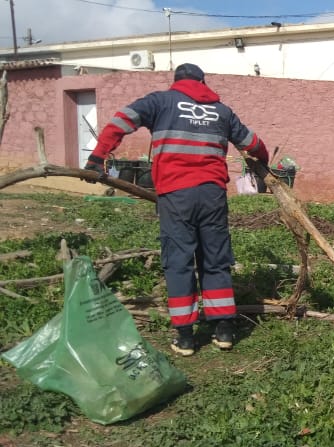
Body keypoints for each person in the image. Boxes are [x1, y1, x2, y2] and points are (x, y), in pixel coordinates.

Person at [83, 63, 269, 356]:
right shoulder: (222, 111)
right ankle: (224, 330)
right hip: (212, 194)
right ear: (203, 83)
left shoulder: (160, 102)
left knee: (179, 261)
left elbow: (121, 121)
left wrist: (97, 157)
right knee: (215, 259)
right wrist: (263, 162)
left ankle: (185, 337)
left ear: (177, 81)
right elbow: (253, 143)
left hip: (176, 194)